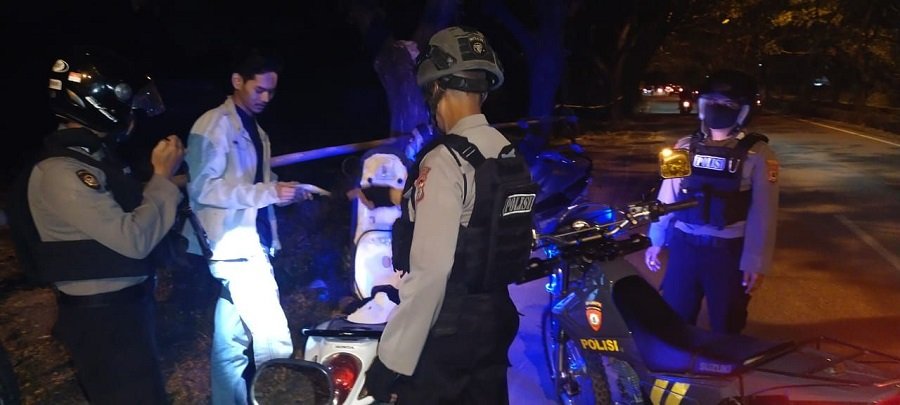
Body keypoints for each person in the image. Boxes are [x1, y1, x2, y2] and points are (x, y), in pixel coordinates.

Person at [363, 26, 537, 404]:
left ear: (436, 87)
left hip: (449, 331)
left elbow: (431, 274)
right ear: (482, 90)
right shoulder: (508, 153)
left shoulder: (445, 160)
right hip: (497, 319)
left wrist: (391, 361)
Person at [9, 45, 184, 404]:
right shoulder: (61, 171)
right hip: (104, 321)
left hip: (121, 312)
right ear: (102, 105)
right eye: (129, 107)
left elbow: (130, 207)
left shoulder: (91, 160)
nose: (133, 116)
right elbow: (134, 238)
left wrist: (168, 186)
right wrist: (163, 177)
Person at [181, 47, 312, 404]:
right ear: (237, 81)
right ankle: (280, 397)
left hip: (249, 243)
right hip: (233, 247)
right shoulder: (213, 125)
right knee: (274, 338)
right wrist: (269, 192)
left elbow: (256, 181)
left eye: (271, 91)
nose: (266, 98)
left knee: (231, 343)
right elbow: (203, 188)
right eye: (260, 89)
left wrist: (284, 191)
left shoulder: (255, 129)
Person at [644, 69, 779, 334]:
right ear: (703, 105)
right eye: (713, 101)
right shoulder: (684, 146)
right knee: (676, 321)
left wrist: (755, 261)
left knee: (726, 326)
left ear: (743, 110)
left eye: (728, 103)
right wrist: (656, 240)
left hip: (728, 253)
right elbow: (667, 197)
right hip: (684, 247)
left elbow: (764, 213)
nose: (719, 107)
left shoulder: (759, 155)